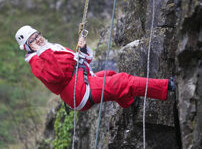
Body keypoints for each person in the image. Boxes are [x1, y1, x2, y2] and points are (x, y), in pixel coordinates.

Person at [15, 25, 175, 111]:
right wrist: (42, 51)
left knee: (110, 74)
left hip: (81, 83)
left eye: (37, 35)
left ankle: (130, 103)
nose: (38, 39)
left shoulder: (50, 48)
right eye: (33, 40)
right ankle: (168, 86)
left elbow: (77, 62)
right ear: (27, 47)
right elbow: (57, 76)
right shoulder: (37, 61)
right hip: (79, 92)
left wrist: (82, 49)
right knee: (122, 81)